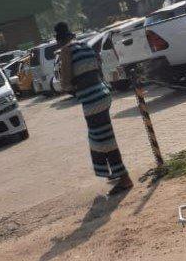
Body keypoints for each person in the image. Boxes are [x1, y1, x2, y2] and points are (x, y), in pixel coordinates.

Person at [56, 22, 133, 196]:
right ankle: (114, 173)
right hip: (102, 93)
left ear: (60, 40)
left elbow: (65, 83)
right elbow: (98, 66)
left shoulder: (66, 52)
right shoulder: (85, 46)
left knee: (104, 139)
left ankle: (124, 178)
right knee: (98, 137)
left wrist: (71, 86)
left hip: (92, 100)